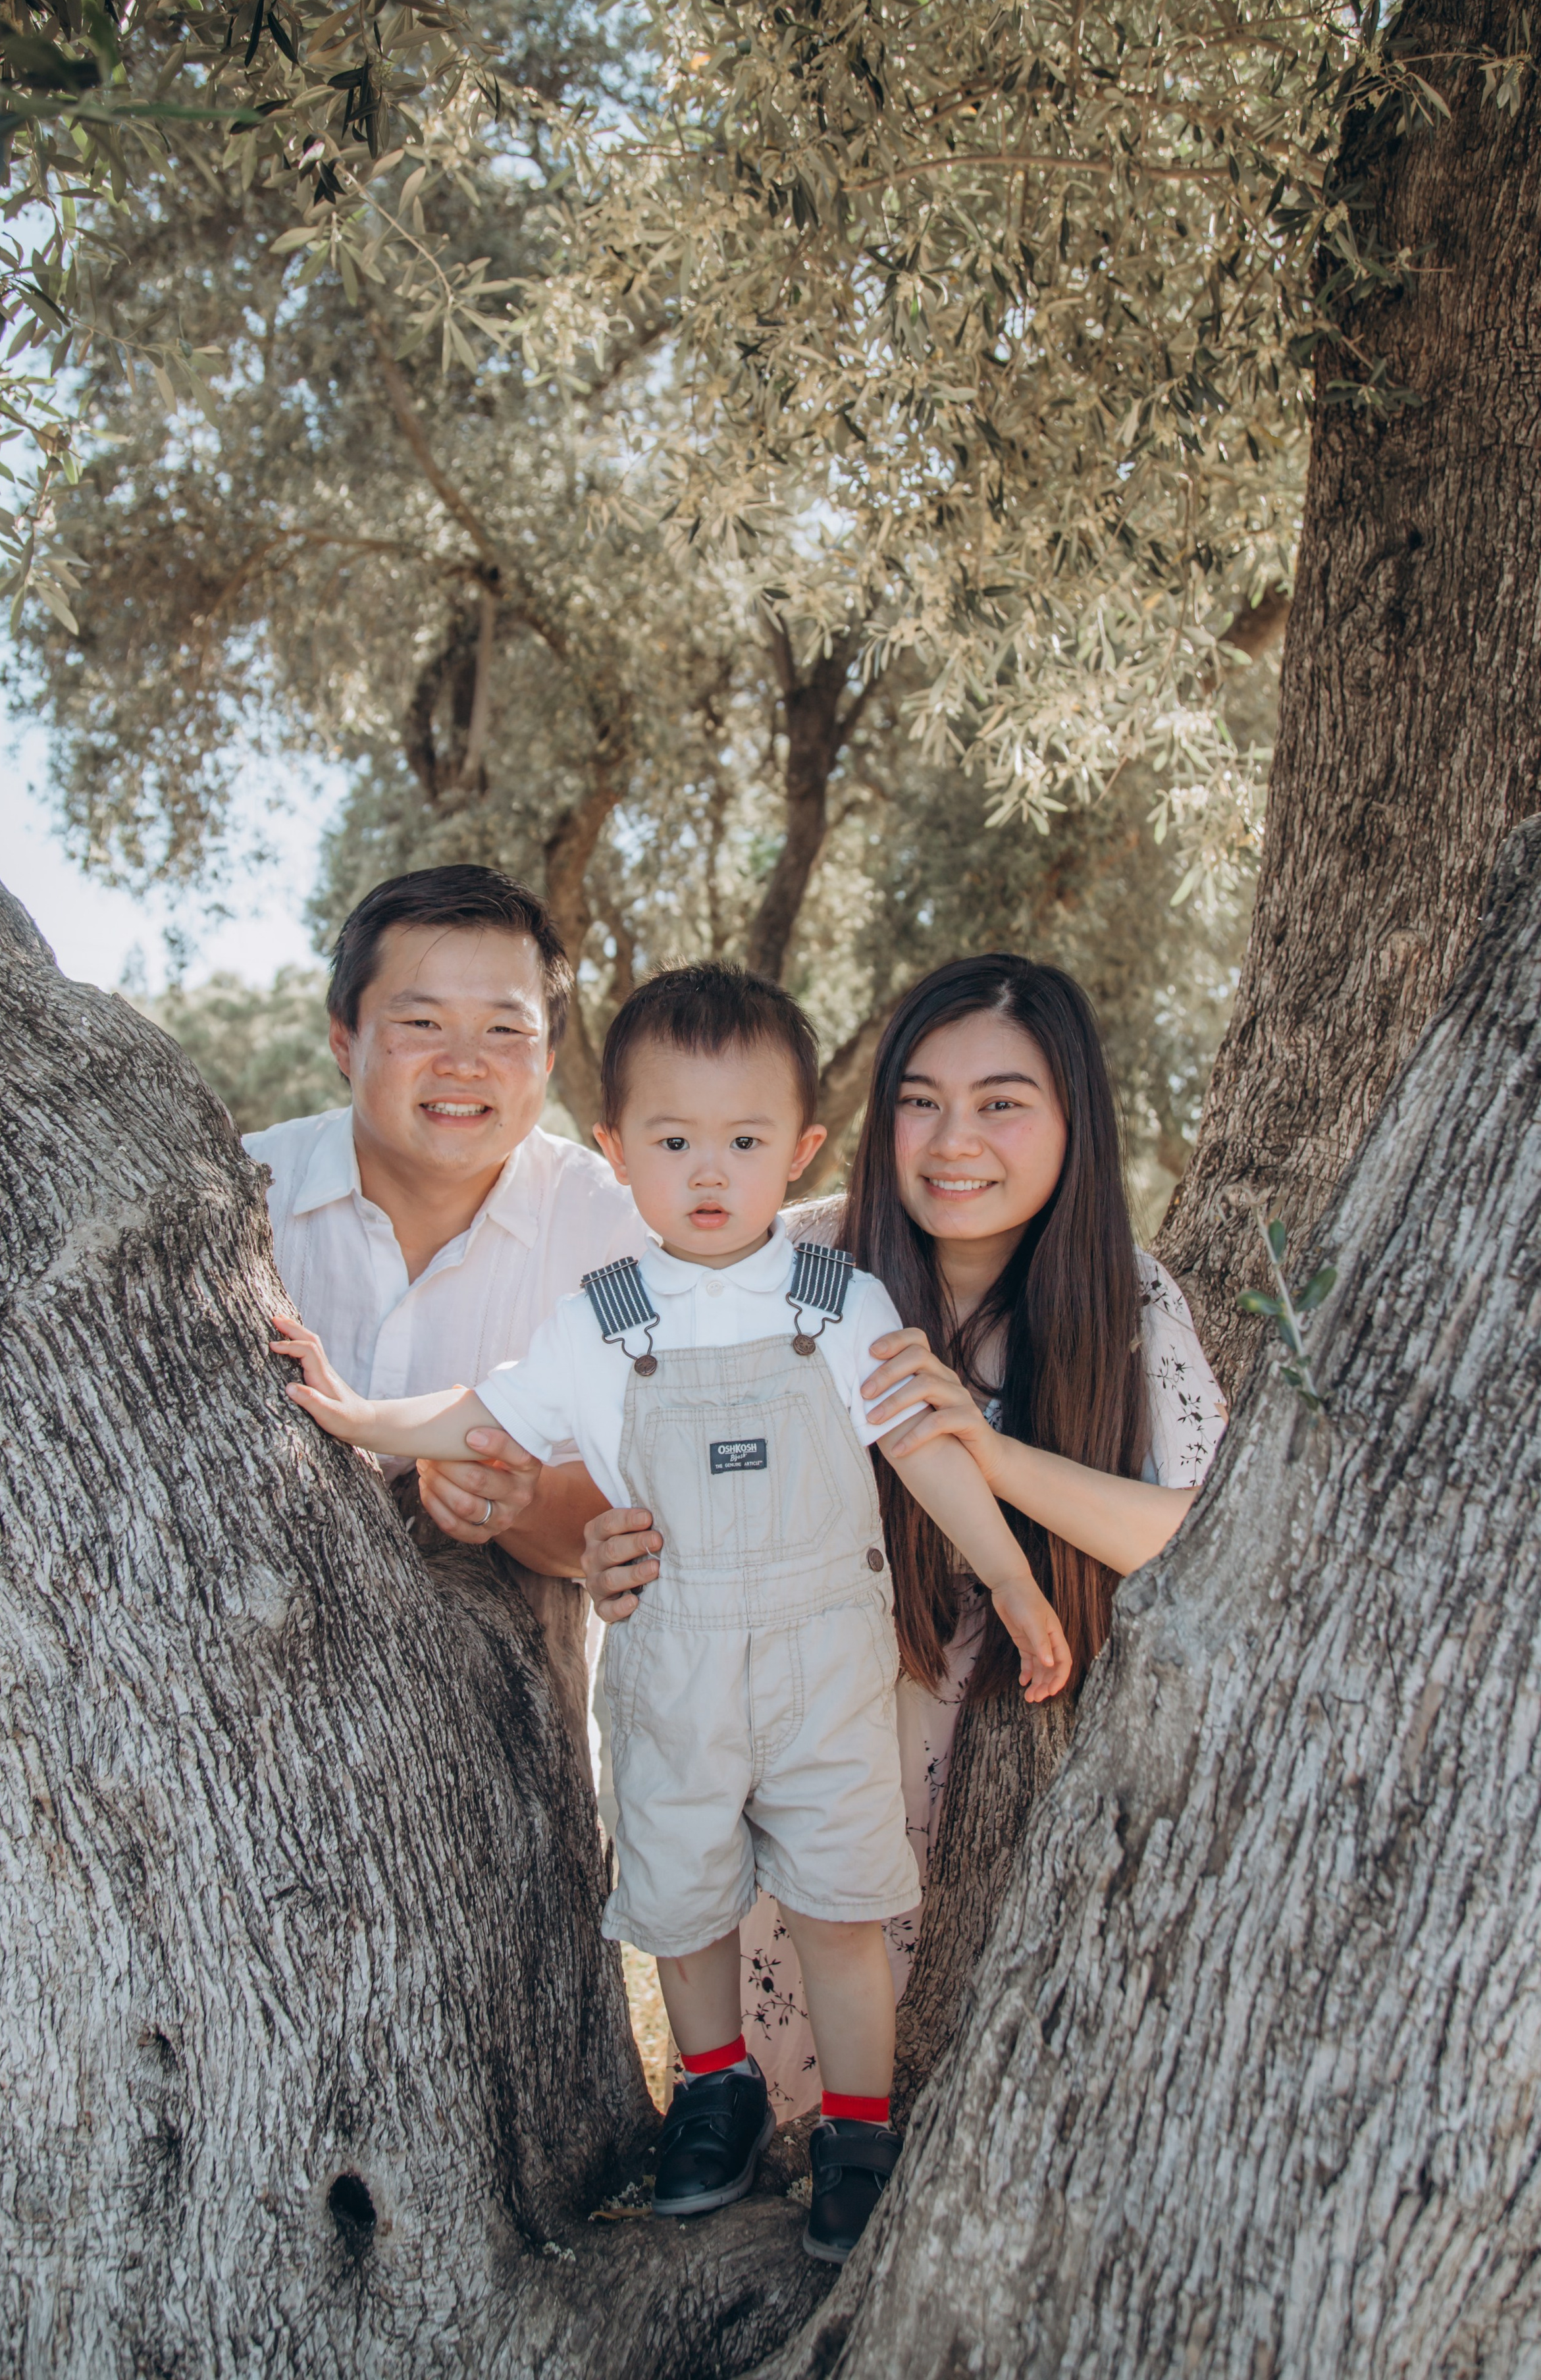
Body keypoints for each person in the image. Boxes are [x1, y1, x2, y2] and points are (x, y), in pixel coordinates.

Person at [267, 962, 1072, 2261]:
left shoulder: (835, 1299)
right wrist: (354, 1411)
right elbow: (480, 1412)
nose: (710, 1170)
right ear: (614, 1152)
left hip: (824, 1674)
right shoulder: (600, 1319)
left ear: (799, 1150)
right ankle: (716, 2090)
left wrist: (1015, 1575)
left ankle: (855, 2131)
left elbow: (929, 1449)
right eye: (673, 1140)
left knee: (837, 1906)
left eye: (745, 1141)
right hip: (675, 1672)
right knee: (684, 1901)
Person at [583, 954, 1227, 2115]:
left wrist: (994, 1452)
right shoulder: (793, 1262)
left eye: (1001, 1104)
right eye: (919, 1101)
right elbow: (638, 1414)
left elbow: (1204, 1540)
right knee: (809, 2101)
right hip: (821, 1746)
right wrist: (610, 1542)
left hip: (1026, 1757)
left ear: (1074, 1119)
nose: (951, 1141)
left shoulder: (1129, 1303)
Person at [244, 865, 645, 1745]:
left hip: (494, 1737)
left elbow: (640, 1504)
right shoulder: (241, 1200)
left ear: (544, 1059)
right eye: (420, 1023)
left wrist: (519, 1497)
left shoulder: (614, 1235)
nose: (464, 1063)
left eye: (505, 1030)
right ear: (345, 1040)